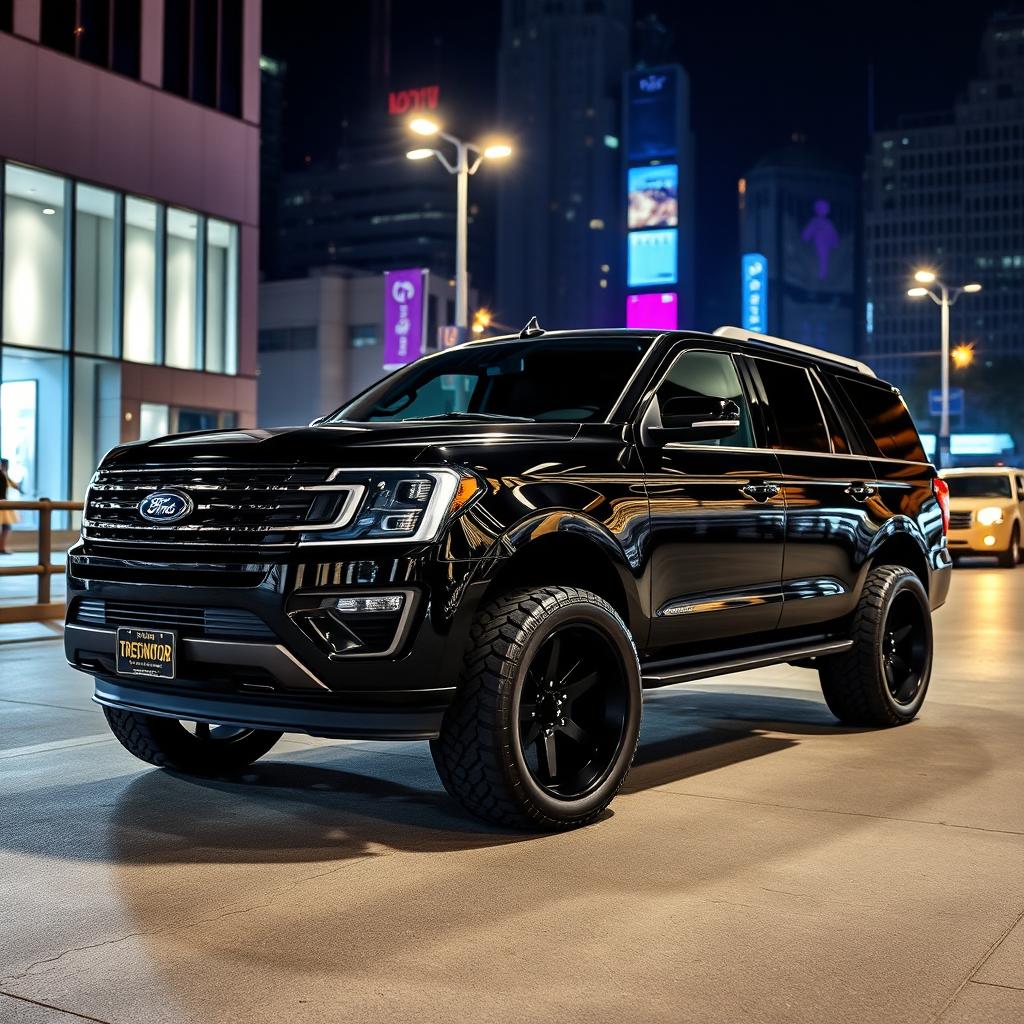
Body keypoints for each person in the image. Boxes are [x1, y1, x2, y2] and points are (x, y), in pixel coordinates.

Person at [0, 457, 22, 554]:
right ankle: (2, 547)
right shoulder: (3, 475)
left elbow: (14, 485)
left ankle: (2, 547)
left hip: (3, 503)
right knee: (6, 526)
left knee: (6, 527)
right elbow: (14, 485)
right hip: (2, 503)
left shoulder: (4, 475)